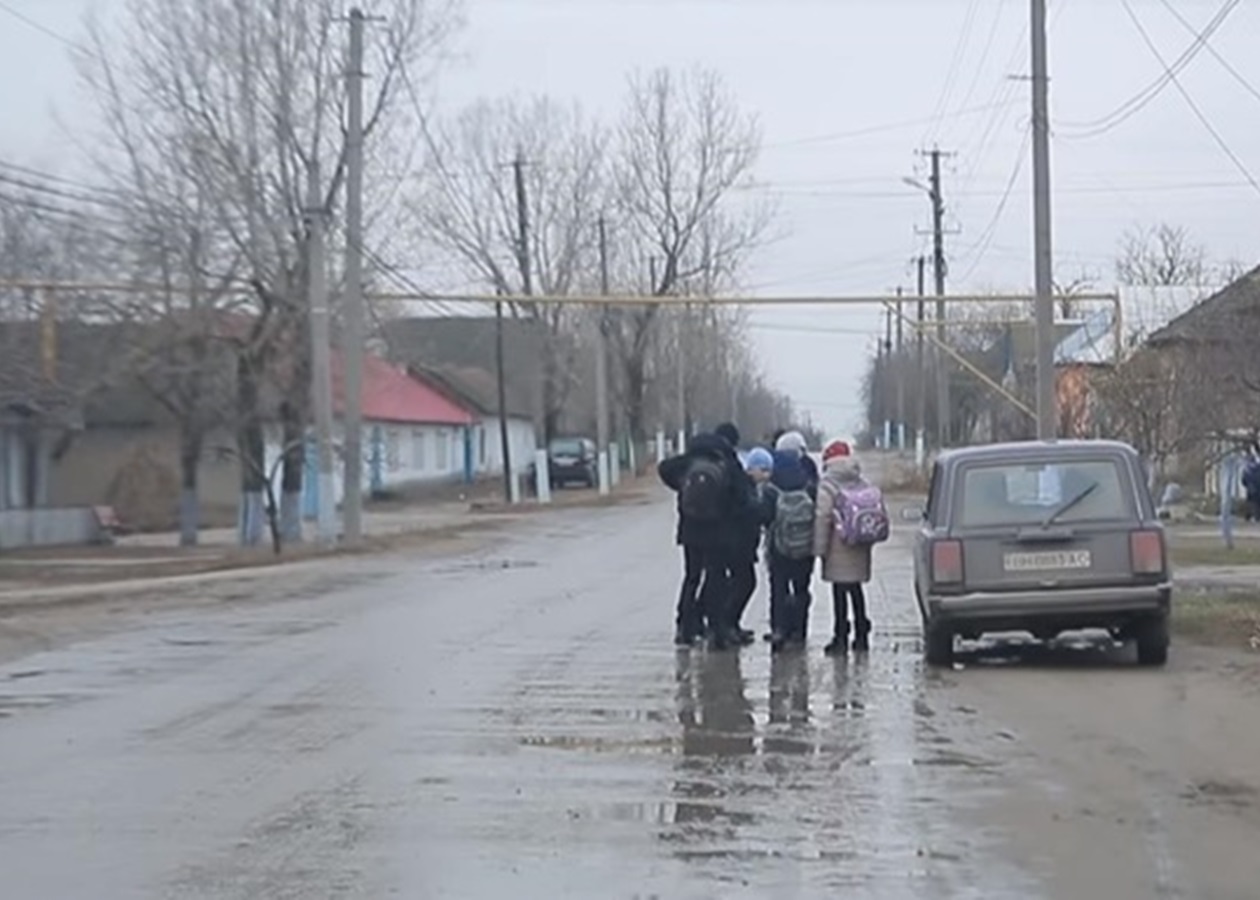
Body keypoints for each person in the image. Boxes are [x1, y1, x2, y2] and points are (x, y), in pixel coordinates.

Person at [658, 429, 752, 650]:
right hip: (717, 531)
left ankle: (684, 628)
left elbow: (663, 468)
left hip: (689, 531)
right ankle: (716, 630)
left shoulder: (687, 463)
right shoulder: (726, 462)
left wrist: (681, 485)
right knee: (715, 577)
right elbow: (742, 497)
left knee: (691, 577)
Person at [813, 439, 876, 655]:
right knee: (856, 590)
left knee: (839, 592)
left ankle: (840, 637)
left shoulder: (828, 485)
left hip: (837, 546)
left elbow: (822, 517)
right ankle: (861, 635)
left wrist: (819, 550)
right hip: (858, 545)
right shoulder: (860, 480)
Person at [762, 446, 818, 651]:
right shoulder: (810, 488)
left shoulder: (771, 491)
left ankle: (779, 629)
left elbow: (764, 517)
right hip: (805, 549)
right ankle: (799, 630)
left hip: (779, 548)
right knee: (801, 589)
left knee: (779, 588)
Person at [733, 447, 775, 644]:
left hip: (744, 543)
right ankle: (728, 623)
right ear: (752, 469)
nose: (767, 476)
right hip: (738, 543)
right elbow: (750, 512)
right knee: (745, 583)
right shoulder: (744, 486)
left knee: (743, 583)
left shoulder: (751, 486)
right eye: (764, 470)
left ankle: (731, 623)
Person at [1243, 449, 1260, 523]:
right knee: (1257, 503)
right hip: (1258, 488)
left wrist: (1247, 485)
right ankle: (1256, 517)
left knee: (1251, 503)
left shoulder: (1247, 469)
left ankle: (1252, 516)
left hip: (1250, 488)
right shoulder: (1258, 468)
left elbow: (1243, 480)